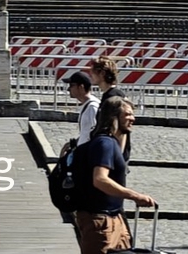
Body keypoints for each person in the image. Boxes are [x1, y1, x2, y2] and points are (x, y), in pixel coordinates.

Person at [73, 97, 156, 254]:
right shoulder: (104, 144)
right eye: (128, 115)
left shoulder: (111, 142)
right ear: (114, 117)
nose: (133, 118)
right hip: (100, 221)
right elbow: (100, 180)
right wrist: (135, 196)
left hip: (113, 217)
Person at [67, 69, 101, 145]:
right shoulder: (87, 105)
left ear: (81, 87)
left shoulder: (92, 107)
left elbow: (94, 134)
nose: (68, 89)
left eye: (71, 85)